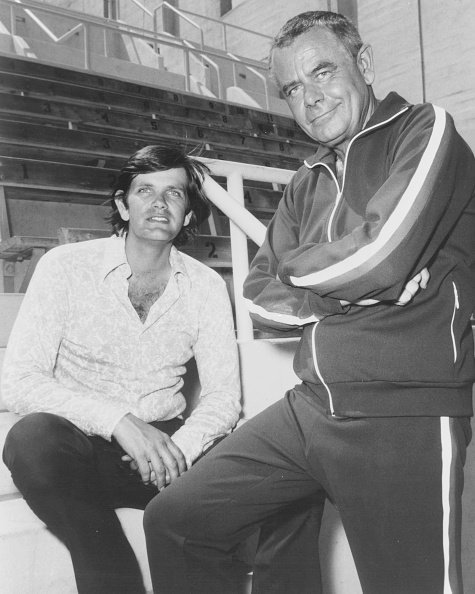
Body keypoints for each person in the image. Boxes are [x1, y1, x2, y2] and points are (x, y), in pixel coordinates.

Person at [143, 10, 475, 594]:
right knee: (176, 520)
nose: (310, 97)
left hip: (402, 411)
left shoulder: (425, 131)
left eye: (323, 72)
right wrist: (359, 290)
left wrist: (324, 270)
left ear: (364, 64)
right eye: (293, 88)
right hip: (311, 406)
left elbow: (383, 256)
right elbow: (259, 296)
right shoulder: (305, 180)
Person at [1, 145, 241, 594]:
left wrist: (180, 451)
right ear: (121, 205)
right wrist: (118, 422)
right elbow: (17, 380)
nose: (158, 204)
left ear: (188, 215)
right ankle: (116, 581)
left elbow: (223, 397)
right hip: (81, 451)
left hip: (167, 444)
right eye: (145, 190)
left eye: (174, 194)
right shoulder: (65, 267)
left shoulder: (207, 286)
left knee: (269, 472)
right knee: (30, 438)